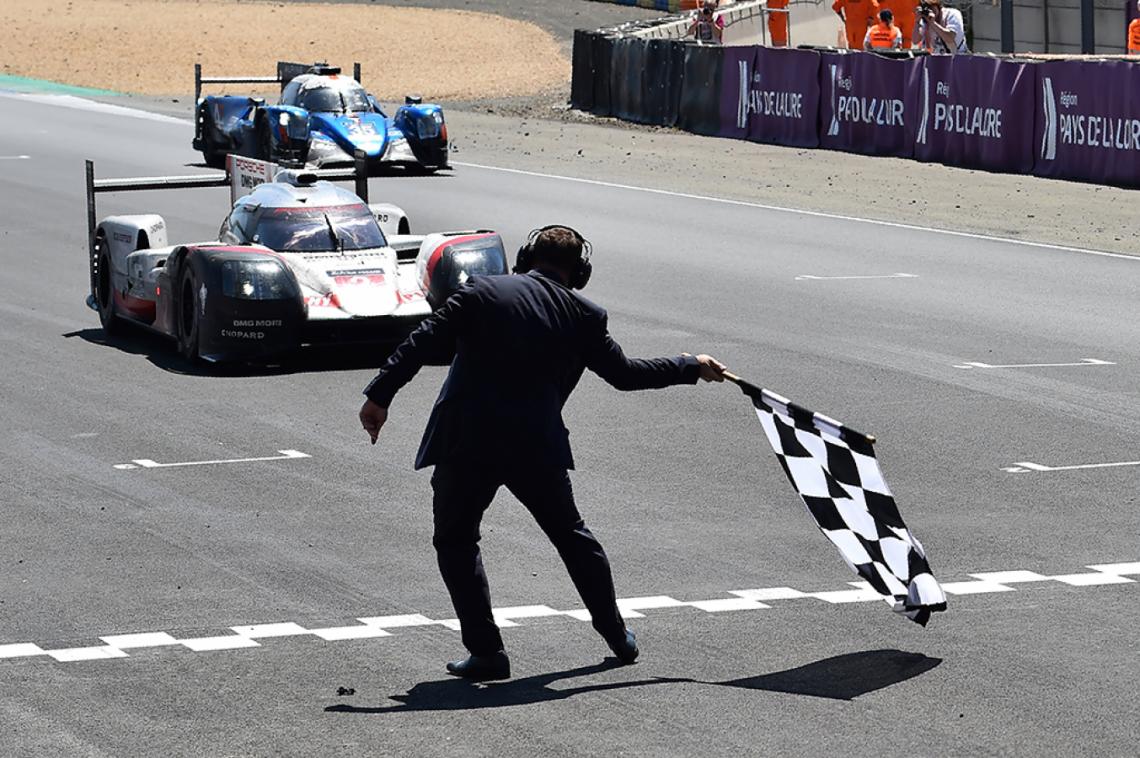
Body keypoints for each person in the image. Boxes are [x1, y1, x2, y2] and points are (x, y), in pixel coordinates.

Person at [358, 225, 728, 681]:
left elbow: (422, 340)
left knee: (457, 541)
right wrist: (689, 365)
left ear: (526, 256)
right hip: (536, 444)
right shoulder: (585, 315)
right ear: (580, 272)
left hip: (466, 440)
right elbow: (626, 375)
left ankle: (487, 653)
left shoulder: (483, 291)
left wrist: (380, 395)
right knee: (572, 537)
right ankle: (616, 635)